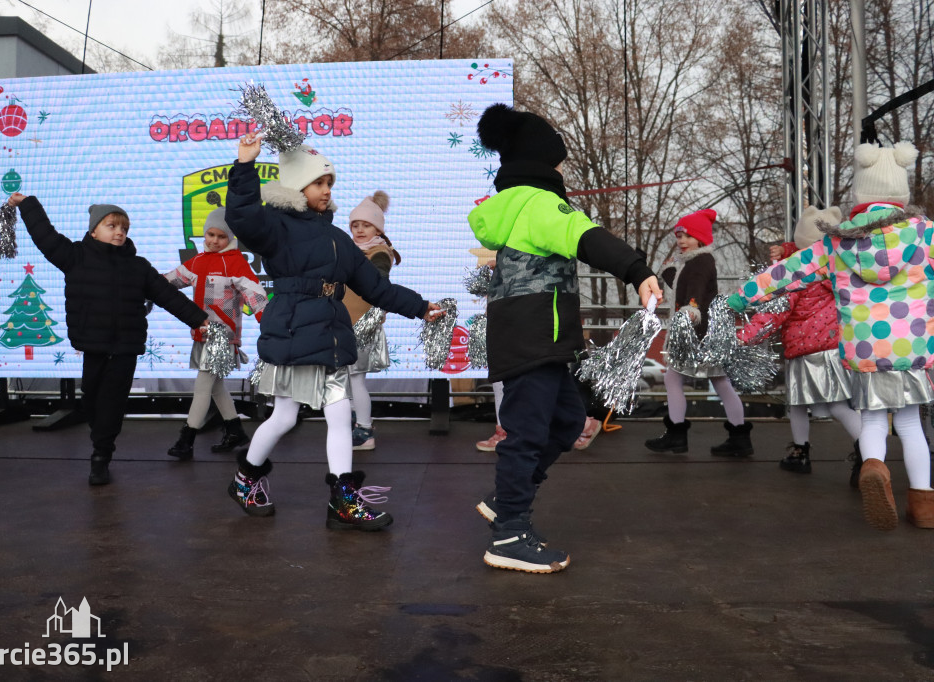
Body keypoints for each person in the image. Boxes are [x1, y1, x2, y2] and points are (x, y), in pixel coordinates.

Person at [468, 103, 662, 573]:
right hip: (536, 335)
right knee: (528, 432)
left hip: (538, 335)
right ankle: (510, 533)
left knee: (567, 421)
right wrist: (637, 270)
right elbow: (587, 236)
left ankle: (506, 500)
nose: (561, 171)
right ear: (540, 162)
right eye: (558, 162)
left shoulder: (514, 206)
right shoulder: (539, 203)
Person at [223, 132, 443, 531]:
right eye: (319, 183)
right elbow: (240, 216)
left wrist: (420, 307)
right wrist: (244, 167)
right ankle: (247, 478)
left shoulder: (338, 239)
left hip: (330, 334)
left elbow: (376, 288)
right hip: (293, 332)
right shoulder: (276, 227)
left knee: (338, 413)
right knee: (285, 417)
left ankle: (342, 497)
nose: (326, 191)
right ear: (296, 186)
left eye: (329, 184)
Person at [729, 141, 934, 531]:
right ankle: (923, 505)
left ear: (860, 194)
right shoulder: (925, 235)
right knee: (910, 424)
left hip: (864, 349)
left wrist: (740, 300)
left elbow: (785, 273)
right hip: (914, 346)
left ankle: (874, 468)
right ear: (902, 194)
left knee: (873, 421)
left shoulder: (836, 243)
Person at [8, 192, 208, 486]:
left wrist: (199, 319)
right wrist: (27, 204)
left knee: (113, 403)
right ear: (93, 230)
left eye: (123, 228)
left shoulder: (138, 266)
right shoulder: (75, 256)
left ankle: (101, 456)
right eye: (112, 226)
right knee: (91, 399)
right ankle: (99, 438)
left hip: (125, 347)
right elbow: (45, 236)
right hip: (93, 345)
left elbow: (167, 296)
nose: (119, 232)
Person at [742, 206, 862, 476]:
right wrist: (787, 250)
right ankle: (868, 450)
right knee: (838, 404)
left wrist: (744, 337)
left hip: (804, 348)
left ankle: (802, 452)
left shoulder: (796, 274)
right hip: (831, 346)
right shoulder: (835, 267)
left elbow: (776, 311)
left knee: (803, 404)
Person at [644, 209, 754, 457]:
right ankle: (738, 437)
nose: (681, 240)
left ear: (701, 238)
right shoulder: (694, 261)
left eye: (687, 236)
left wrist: (689, 313)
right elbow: (689, 289)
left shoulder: (700, 262)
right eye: (679, 235)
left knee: (678, 378)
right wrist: (670, 271)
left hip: (697, 332)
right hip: (704, 332)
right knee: (719, 381)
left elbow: (693, 295)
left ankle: (677, 434)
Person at [163, 209, 268, 459]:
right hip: (202, 333)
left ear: (230, 238)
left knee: (202, 387)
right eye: (210, 234)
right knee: (216, 386)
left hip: (222, 335)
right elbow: (170, 280)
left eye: (221, 236)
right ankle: (235, 431)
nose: (214, 240)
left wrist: (270, 324)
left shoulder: (235, 262)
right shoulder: (198, 261)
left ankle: (186, 440)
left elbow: (256, 295)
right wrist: (143, 284)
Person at [342, 190, 398, 451]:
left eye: (366, 225)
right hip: (343, 323)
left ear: (377, 227)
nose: (360, 230)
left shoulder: (379, 253)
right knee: (345, 378)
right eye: (355, 225)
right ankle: (355, 422)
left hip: (362, 324)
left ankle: (365, 430)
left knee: (356, 378)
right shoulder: (349, 250)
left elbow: (377, 285)